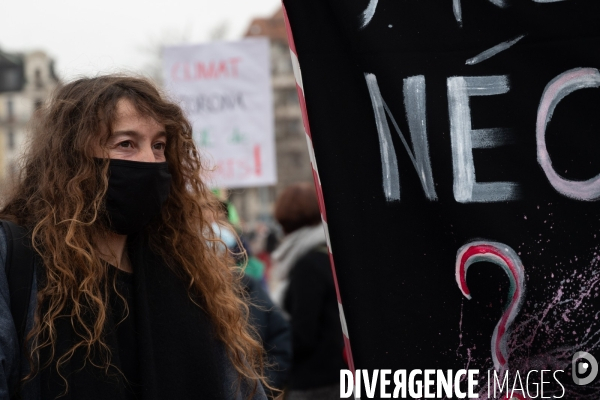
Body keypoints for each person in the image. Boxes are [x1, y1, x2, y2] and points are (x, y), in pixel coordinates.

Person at [0, 76, 268, 399]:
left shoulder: (186, 267)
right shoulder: (16, 259)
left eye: (158, 146)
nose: (150, 161)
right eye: (126, 144)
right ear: (73, 161)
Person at [269, 183, 346, 400]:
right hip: (337, 376)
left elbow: (304, 333)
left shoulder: (307, 264)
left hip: (316, 383)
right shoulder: (328, 254)